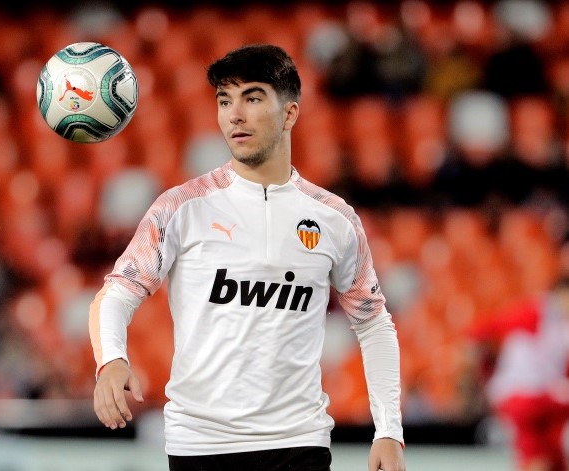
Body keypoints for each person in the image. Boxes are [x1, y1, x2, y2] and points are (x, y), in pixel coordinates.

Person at [90, 44, 405, 471]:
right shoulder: (181, 207)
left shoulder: (334, 218)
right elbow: (116, 293)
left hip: (299, 443)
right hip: (200, 446)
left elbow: (373, 323)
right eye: (225, 101)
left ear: (290, 114)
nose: (234, 115)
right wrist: (111, 359)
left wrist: (388, 430)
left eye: (252, 98)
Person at [468, 276, 569, 471]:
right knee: (537, 456)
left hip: (544, 398)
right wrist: (482, 365)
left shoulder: (561, 324)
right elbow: (482, 329)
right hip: (521, 395)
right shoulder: (534, 313)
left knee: (554, 455)